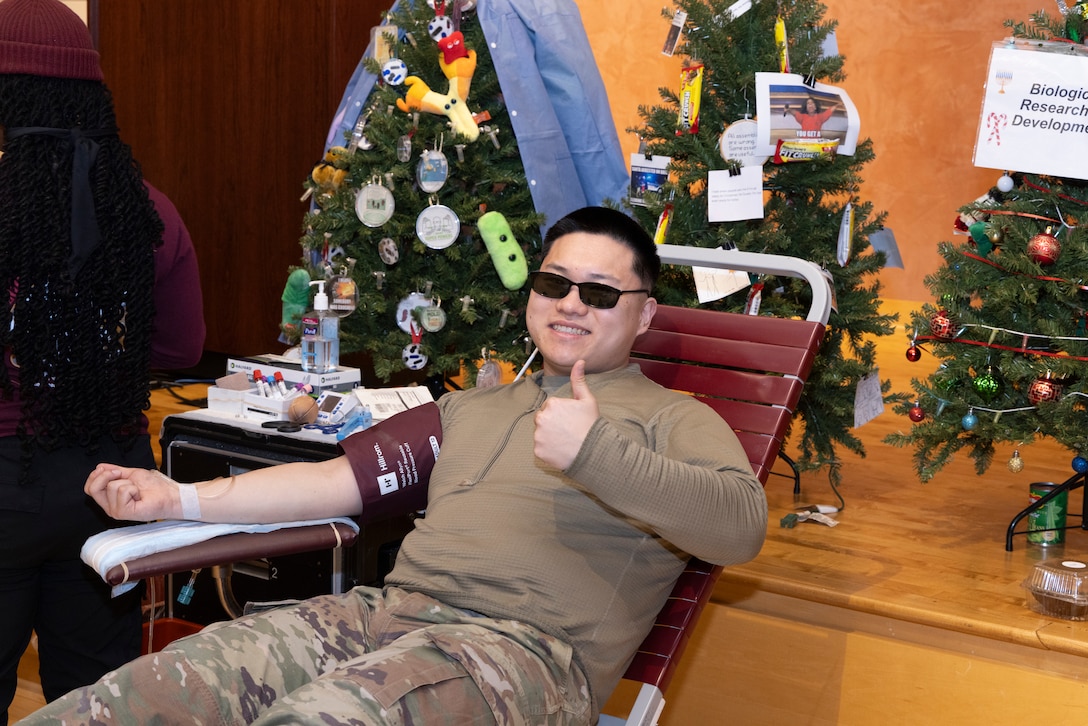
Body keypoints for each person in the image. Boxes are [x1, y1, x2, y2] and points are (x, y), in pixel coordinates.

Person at [23, 207, 765, 725]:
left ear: (645, 315)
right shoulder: (469, 410)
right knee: (140, 695)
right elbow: (332, 482)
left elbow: (740, 530)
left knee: (318, 720)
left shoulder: (674, 419)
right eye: (554, 283)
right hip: (382, 620)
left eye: (600, 293)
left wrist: (598, 454)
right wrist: (176, 501)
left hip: (522, 658)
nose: (571, 304)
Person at [0, 0, 206, 721]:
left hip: (5, 475)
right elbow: (180, 348)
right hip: (110, 484)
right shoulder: (147, 212)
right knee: (95, 701)